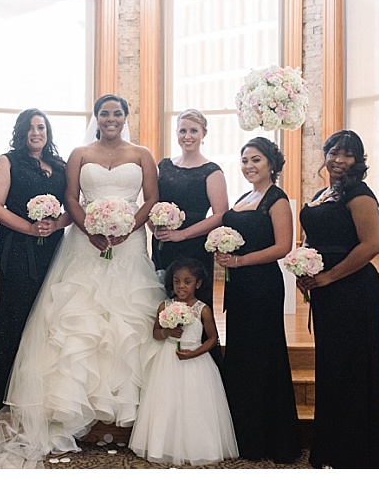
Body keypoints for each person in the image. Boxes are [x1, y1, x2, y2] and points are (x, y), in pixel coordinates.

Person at [0, 94, 165, 468]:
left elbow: (150, 201)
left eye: (117, 113)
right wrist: (89, 227)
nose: (110, 119)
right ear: (96, 117)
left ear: (126, 116)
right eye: (104, 113)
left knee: (128, 318)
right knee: (79, 316)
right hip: (85, 242)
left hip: (129, 244)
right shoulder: (78, 153)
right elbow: (71, 199)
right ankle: (68, 404)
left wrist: (127, 229)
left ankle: (127, 404)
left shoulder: (143, 153)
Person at [297, 130, 379, 469]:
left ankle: (357, 453)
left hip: (353, 290)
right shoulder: (325, 193)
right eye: (334, 152)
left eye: (348, 155)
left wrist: (327, 277)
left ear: (358, 161)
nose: (339, 160)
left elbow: (371, 245)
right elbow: (316, 237)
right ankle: (332, 448)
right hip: (325, 291)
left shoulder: (360, 194)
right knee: (332, 369)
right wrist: (304, 270)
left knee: (352, 370)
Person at [215, 137, 301, 463]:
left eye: (256, 160)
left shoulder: (276, 200)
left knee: (263, 356)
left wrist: (239, 261)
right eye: (245, 160)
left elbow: (283, 247)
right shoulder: (244, 197)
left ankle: (269, 439)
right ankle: (241, 434)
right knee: (241, 354)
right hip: (237, 287)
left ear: (271, 164)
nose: (249, 166)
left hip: (262, 285)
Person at [0, 109, 72, 412]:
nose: (36, 133)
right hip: (18, 246)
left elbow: (73, 206)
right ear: (21, 132)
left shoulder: (59, 166)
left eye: (41, 128)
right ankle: (1, 388)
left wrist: (56, 225)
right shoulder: (8, 161)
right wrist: (29, 228)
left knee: (46, 314)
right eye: (30, 128)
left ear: (48, 132)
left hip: (53, 247)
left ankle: (40, 388)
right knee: (14, 311)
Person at [129, 257, 238, 466]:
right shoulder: (164, 306)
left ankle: (199, 446)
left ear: (197, 284)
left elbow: (213, 339)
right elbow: (155, 333)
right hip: (167, 360)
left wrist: (195, 353)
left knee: (195, 404)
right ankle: (164, 445)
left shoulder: (202, 309)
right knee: (165, 402)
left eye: (187, 281)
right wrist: (167, 331)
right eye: (177, 281)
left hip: (196, 361)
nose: (181, 286)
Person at [149, 108, 228, 367]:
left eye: (193, 130)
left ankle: (202, 366)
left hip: (194, 246)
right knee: (164, 299)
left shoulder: (211, 171)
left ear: (203, 134)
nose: (187, 135)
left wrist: (181, 234)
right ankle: (165, 367)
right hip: (164, 245)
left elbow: (220, 215)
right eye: (183, 130)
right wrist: (153, 224)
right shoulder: (165, 166)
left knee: (196, 306)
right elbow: (153, 202)